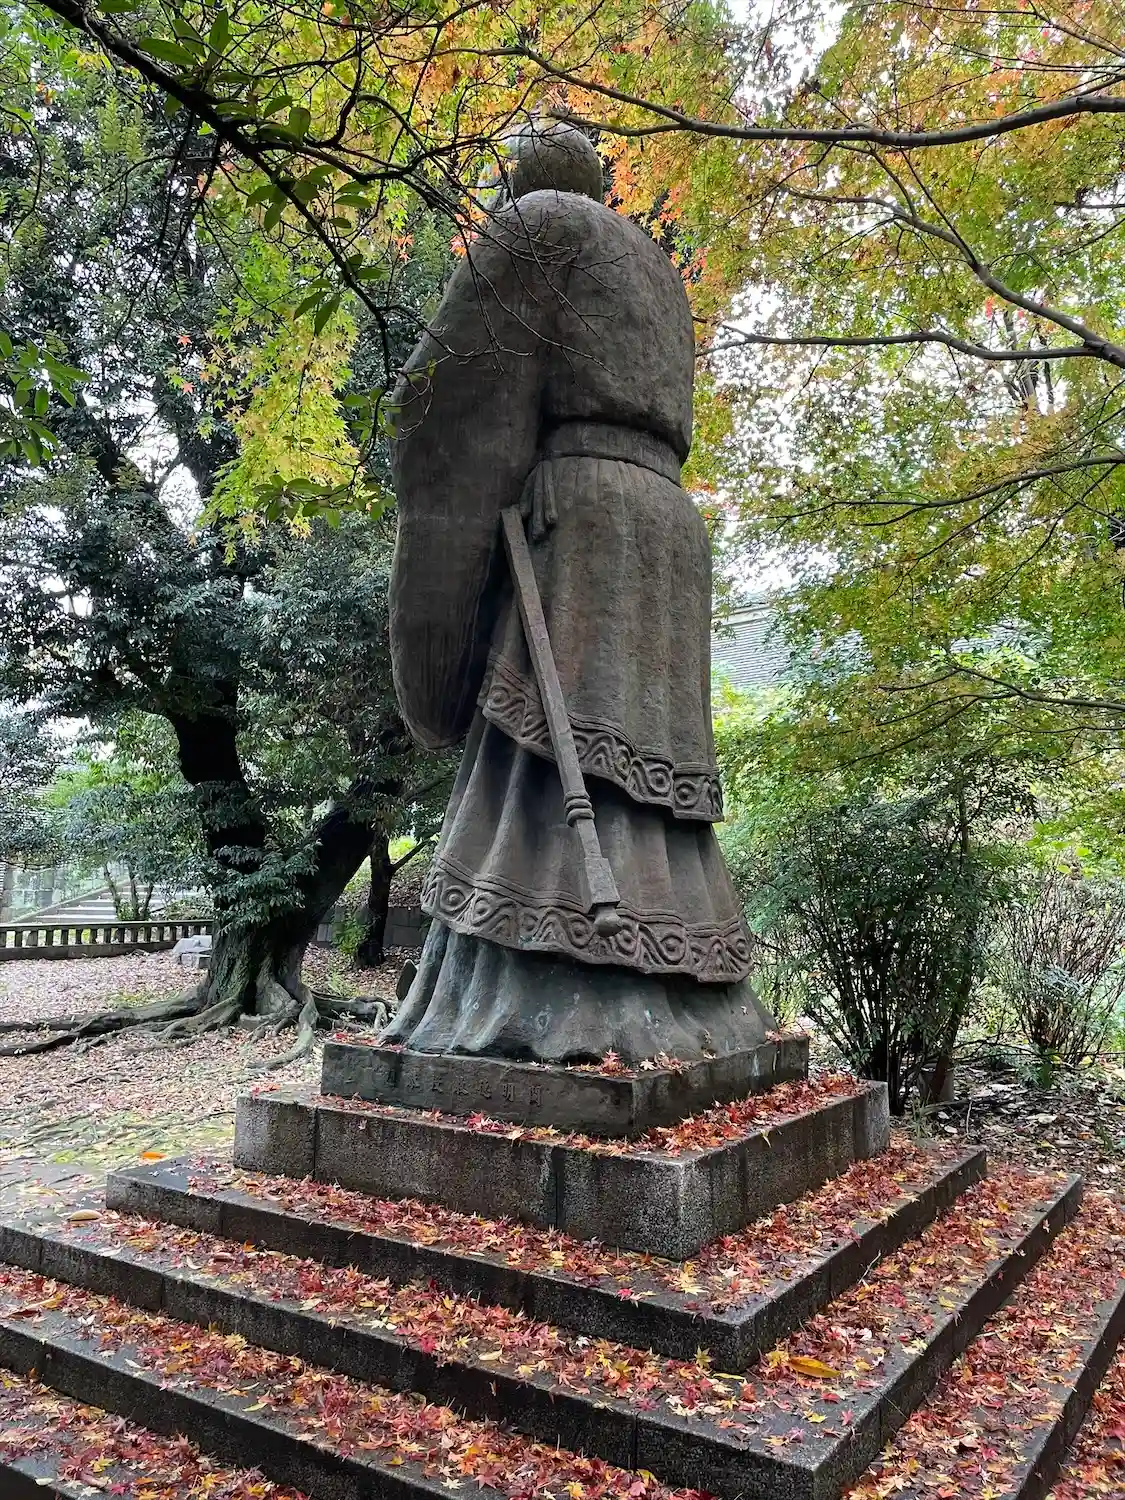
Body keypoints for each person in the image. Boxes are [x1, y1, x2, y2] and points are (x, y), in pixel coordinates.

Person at [381, 121, 774, 1063]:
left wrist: (455, 549)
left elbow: (451, 401)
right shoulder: (657, 271)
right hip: (664, 524)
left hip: (580, 516)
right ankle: (683, 1000)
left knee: (563, 736)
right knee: (634, 750)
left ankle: (540, 1002)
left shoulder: (537, 224)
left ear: (522, 178)